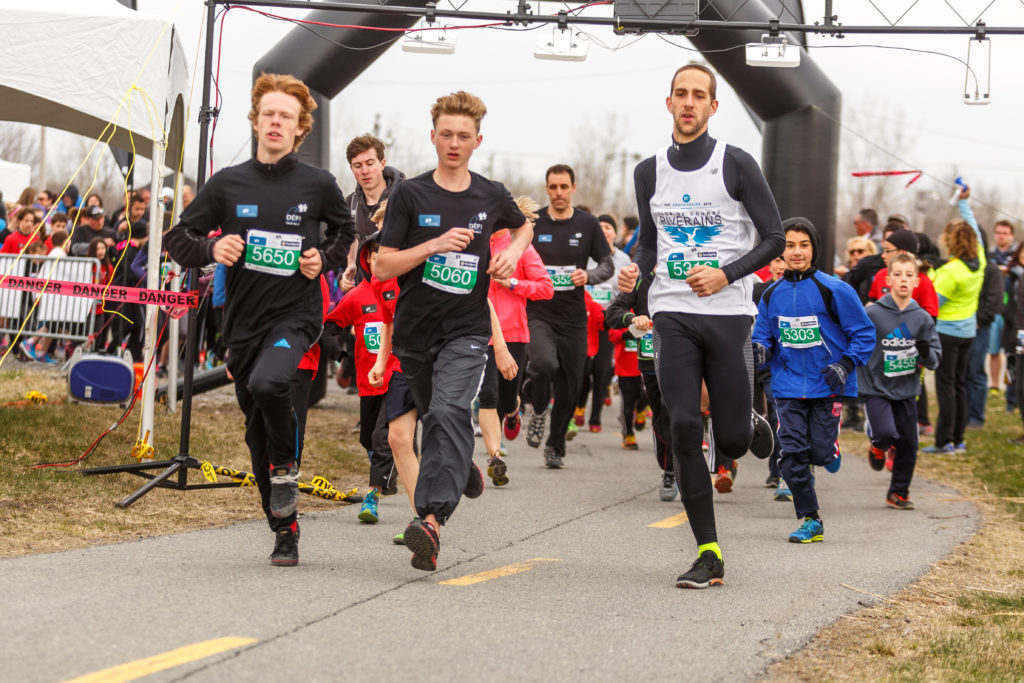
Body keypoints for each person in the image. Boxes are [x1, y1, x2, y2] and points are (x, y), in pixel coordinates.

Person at [165, 72, 355, 567]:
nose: (275, 122)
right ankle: (284, 529)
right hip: (242, 325)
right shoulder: (227, 184)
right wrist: (212, 247)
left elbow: (346, 228)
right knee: (254, 434)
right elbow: (177, 241)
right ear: (254, 122)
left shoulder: (318, 184)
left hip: (296, 315)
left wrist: (324, 260)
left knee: (273, 384)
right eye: (268, 114)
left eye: (285, 116)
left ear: (299, 129)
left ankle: (288, 465)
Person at [618, 63, 782, 588]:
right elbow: (649, 241)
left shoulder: (735, 164)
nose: (689, 103)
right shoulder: (648, 172)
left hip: (730, 312)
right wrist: (635, 267)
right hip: (673, 311)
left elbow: (775, 238)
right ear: (668, 104)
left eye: (700, 96)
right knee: (684, 425)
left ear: (713, 107)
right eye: (680, 95)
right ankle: (708, 551)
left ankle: (750, 423)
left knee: (730, 440)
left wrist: (727, 273)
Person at [375, 90, 532, 571]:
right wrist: (434, 245)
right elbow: (383, 266)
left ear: (477, 140)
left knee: (446, 410)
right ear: (433, 136)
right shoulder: (410, 193)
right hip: (415, 333)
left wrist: (511, 252)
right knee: (434, 414)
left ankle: (430, 520)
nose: (454, 143)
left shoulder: (490, 193)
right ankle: (461, 467)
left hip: (466, 329)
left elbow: (525, 226)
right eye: (446, 134)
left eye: (464, 136)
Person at [752, 218, 876, 543]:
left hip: (828, 384)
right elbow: (762, 334)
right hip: (788, 385)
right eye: (789, 245)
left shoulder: (835, 290)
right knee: (791, 456)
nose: (796, 252)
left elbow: (863, 334)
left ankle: (830, 449)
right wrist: (761, 349)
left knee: (818, 454)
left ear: (814, 248)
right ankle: (811, 519)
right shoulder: (770, 294)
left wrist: (845, 365)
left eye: (803, 245)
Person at [523, 164, 613, 468]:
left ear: (573, 188)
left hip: (574, 317)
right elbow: (516, 256)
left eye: (563, 187)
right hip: (539, 312)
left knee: (569, 385)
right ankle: (537, 411)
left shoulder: (588, 224)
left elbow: (607, 265)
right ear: (546, 189)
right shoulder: (534, 224)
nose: (558, 193)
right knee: (543, 363)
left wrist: (588, 276)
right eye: (552, 187)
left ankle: (555, 445)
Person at [478, 196, 553, 485]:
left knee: (506, 397)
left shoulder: (520, 248)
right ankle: (495, 455)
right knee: (487, 395)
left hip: (514, 335)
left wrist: (513, 283)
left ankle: (513, 410)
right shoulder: (476, 246)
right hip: (481, 333)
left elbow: (546, 289)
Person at [859, 253, 941, 508]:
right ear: (888, 279)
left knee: (909, 444)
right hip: (876, 387)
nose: (903, 279)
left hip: (906, 390)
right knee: (885, 432)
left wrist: (926, 351)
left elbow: (934, 361)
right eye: (898, 274)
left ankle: (898, 492)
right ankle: (878, 446)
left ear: (917, 281)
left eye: (909, 275)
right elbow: (856, 341)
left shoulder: (923, 319)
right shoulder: (873, 313)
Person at [923, 187, 985, 454]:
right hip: (968, 332)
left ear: (952, 242)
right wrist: (964, 204)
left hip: (947, 333)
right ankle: (959, 439)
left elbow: (933, 304)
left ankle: (942, 441)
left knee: (946, 387)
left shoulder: (950, 272)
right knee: (959, 384)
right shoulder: (979, 260)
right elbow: (975, 229)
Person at [575, 213, 632, 433]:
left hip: (608, 320)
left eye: (609, 227)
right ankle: (579, 405)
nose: (604, 230)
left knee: (601, 369)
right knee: (581, 369)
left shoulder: (623, 260)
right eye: (600, 227)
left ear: (615, 232)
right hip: (585, 320)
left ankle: (595, 417)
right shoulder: (584, 255)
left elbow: (627, 290)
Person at [343, 134, 405, 281]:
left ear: (382, 163)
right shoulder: (350, 203)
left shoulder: (405, 197)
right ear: (351, 168)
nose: (364, 171)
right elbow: (347, 241)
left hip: (397, 286)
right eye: (358, 166)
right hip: (364, 288)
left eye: (370, 163)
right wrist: (347, 271)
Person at [988, 220, 1015, 395]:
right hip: (995, 311)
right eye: (998, 232)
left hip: (1013, 312)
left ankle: (1011, 387)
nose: (1001, 236)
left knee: (1011, 353)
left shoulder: (1018, 257)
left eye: (1005, 233)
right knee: (994, 351)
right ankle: (995, 386)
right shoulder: (990, 257)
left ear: (1011, 236)